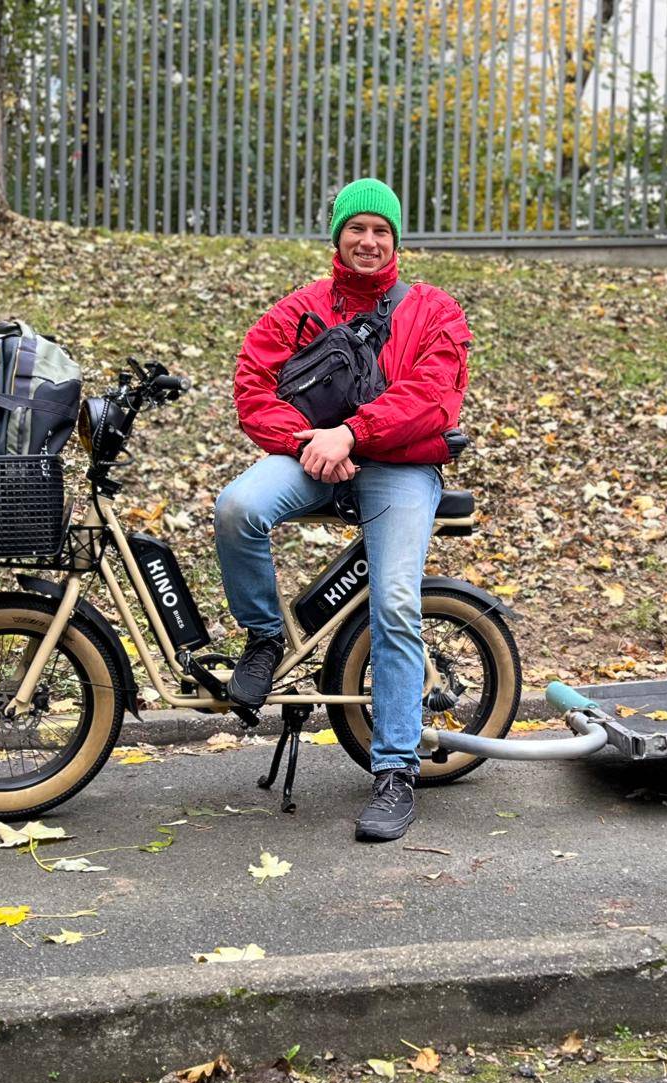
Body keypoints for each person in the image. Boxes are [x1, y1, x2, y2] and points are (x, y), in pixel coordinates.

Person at [215, 179, 471, 842]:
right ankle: (264, 639)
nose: (369, 240)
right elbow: (252, 387)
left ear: (396, 239)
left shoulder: (434, 309)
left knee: (395, 603)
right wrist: (309, 442)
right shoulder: (298, 310)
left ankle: (395, 772)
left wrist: (352, 434)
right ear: (337, 236)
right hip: (312, 455)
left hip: (401, 466)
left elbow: (433, 397)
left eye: (381, 230)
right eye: (356, 228)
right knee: (238, 507)